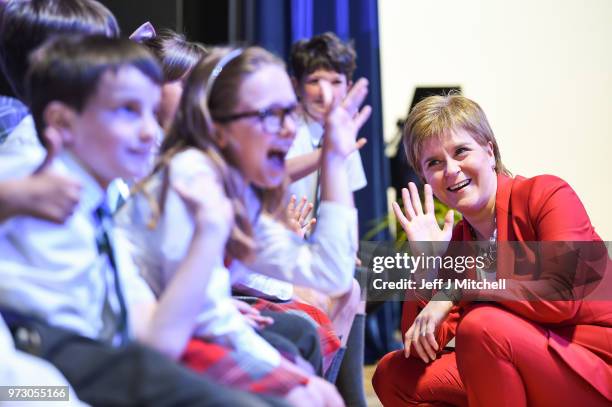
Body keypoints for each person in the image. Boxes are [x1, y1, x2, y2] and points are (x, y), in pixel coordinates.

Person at [0, 35, 279, 407]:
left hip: (107, 364)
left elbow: (157, 339)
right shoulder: (29, 176)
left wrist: (210, 234)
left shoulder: (105, 206)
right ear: (61, 120)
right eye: (128, 111)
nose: (151, 131)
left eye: (151, 111)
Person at [118, 45, 370, 406]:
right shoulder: (189, 181)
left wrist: (332, 158)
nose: (286, 130)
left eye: (289, 112)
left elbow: (329, 271)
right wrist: (290, 378)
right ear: (217, 129)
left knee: (315, 388)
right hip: (135, 350)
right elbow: (196, 320)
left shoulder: (233, 188)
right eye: (270, 115)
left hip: (183, 334)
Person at [372, 94, 612, 406]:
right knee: (393, 374)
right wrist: (426, 266)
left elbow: (562, 297)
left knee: (481, 326)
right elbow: (419, 346)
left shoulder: (548, 194)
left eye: (461, 151)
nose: (452, 170)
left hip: (591, 367)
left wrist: (459, 290)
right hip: (521, 360)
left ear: (489, 150)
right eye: (434, 163)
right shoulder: (459, 241)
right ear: (424, 178)